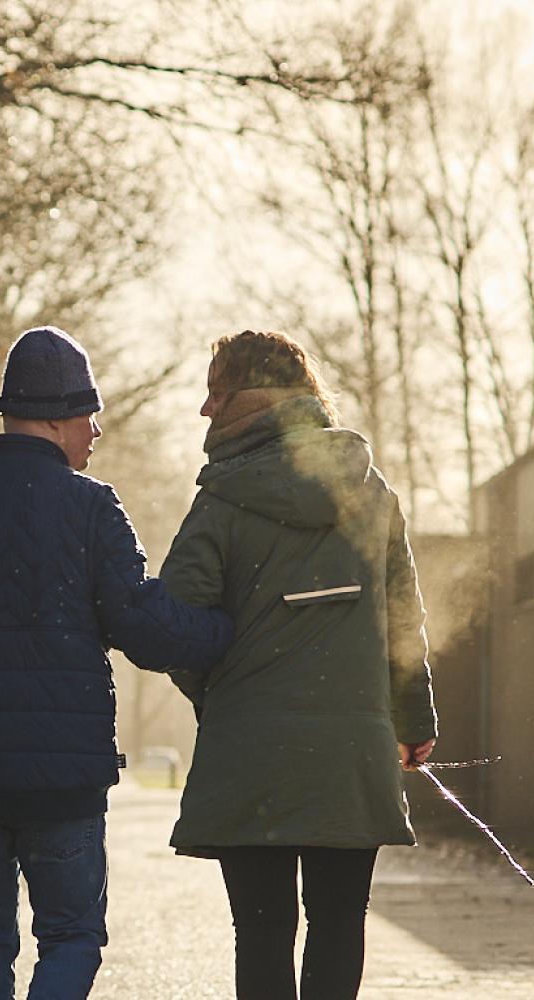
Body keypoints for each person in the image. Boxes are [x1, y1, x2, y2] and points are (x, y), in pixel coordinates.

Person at [0, 325, 232, 999]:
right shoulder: (90, 509)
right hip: (60, 779)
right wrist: (225, 633)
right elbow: (140, 627)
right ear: (59, 416)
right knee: (71, 935)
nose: (96, 432)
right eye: (90, 415)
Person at [161, 329, 438, 1000]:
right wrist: (413, 715)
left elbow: (177, 626)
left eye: (215, 393)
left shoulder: (221, 503)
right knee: (339, 919)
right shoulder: (372, 497)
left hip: (251, 748)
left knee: (261, 930)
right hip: (351, 745)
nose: (204, 410)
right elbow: (403, 617)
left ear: (250, 399)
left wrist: (218, 691)